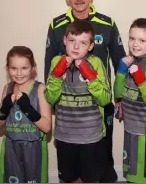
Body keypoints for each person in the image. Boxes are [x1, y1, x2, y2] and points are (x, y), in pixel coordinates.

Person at [44, 0, 125, 182]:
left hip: (99, 105)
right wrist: (48, 105)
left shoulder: (107, 23)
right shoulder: (57, 25)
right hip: (67, 110)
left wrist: (120, 98)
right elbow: (49, 67)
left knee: (101, 158)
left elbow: (120, 63)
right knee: (70, 166)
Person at [45, 20, 111, 183]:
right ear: (65, 40)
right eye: (72, 41)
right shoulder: (56, 62)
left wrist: (91, 77)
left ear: (90, 46)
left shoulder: (96, 63)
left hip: (91, 136)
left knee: (90, 179)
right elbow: (50, 98)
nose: (76, 47)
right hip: (65, 135)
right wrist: (57, 75)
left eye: (82, 43)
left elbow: (105, 99)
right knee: (69, 179)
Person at [113, 18, 146, 183]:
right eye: (132, 38)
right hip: (131, 129)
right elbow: (118, 94)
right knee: (132, 176)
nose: (135, 44)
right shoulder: (131, 61)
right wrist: (121, 72)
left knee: (145, 178)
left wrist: (141, 79)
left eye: (142, 40)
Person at [0, 46, 51, 183]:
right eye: (13, 68)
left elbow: (47, 127)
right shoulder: (7, 89)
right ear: (8, 69)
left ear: (33, 68)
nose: (19, 73)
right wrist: (4, 108)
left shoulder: (40, 89)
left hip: (34, 147)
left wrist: (28, 109)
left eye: (24, 68)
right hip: (11, 146)